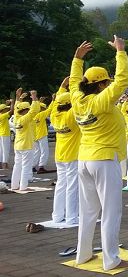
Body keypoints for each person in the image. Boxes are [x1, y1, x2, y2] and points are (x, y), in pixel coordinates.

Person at [69, 36, 128, 270]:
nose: (108, 85)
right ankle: (111, 259)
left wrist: (77, 59)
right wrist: (121, 52)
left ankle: (83, 255)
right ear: (100, 85)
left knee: (88, 212)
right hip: (104, 160)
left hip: (84, 160)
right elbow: (122, 81)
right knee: (111, 212)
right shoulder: (101, 101)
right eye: (106, 82)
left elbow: (75, 81)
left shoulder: (77, 99)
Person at [50, 77, 81, 225]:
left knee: (61, 186)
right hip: (73, 155)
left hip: (59, 155)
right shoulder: (71, 115)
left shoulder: (54, 115)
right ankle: (71, 217)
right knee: (72, 187)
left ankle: (57, 216)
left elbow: (56, 102)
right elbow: (78, 101)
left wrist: (62, 86)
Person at [11, 89, 40, 191]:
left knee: (17, 166)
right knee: (26, 167)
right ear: (26, 110)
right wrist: (34, 98)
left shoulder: (16, 118)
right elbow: (34, 111)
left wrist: (18, 97)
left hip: (18, 146)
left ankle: (14, 186)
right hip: (27, 146)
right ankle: (23, 187)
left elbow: (16, 108)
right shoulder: (25, 118)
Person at [32, 96, 54, 173]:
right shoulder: (41, 115)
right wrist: (53, 100)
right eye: (43, 108)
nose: (44, 109)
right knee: (45, 151)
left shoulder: (33, 115)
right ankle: (41, 167)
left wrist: (39, 101)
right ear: (41, 108)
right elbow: (50, 109)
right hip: (42, 134)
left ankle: (33, 166)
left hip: (34, 136)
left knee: (36, 151)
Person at [0, 99, 14, 170]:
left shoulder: (1, 115)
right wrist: (12, 102)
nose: (7, 110)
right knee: (6, 150)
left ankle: (1, 164)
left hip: (1, 133)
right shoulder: (3, 116)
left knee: (1, 149)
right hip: (5, 133)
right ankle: (4, 164)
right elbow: (11, 111)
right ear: (3, 110)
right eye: (5, 109)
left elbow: (7, 109)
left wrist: (6, 104)